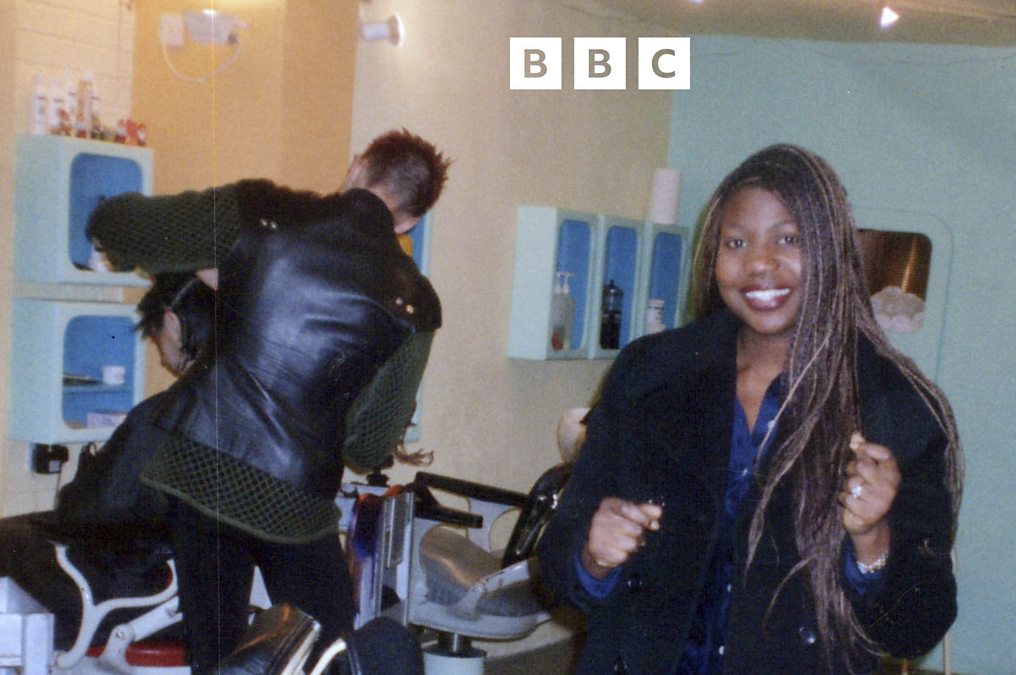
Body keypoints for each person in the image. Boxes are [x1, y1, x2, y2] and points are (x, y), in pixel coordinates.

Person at [536, 144, 963, 674]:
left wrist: (872, 540)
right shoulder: (650, 375)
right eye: (736, 242)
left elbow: (919, 625)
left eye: (788, 239)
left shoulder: (895, 407)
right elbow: (557, 568)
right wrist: (592, 555)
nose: (759, 263)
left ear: (832, 250)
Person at [85, 129, 450, 670]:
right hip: (294, 500)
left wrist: (119, 219)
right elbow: (369, 448)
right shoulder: (415, 303)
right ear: (409, 222)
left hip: (199, 473)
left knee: (218, 655)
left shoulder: (261, 211)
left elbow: (122, 229)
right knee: (332, 655)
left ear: (356, 168)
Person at [0, 273, 216, 650]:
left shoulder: (162, 416)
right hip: (199, 595)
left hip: (137, 594)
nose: (160, 354)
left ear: (171, 324)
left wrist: (75, 491)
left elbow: (94, 509)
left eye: (155, 337)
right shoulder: (241, 405)